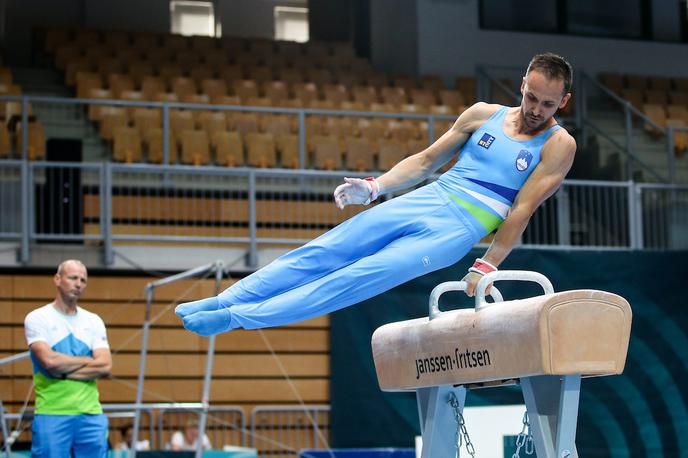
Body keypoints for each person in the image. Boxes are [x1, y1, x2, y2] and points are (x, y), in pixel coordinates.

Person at [176, 52, 576, 336]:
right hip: (429, 198)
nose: (536, 110)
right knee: (324, 251)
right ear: (522, 85)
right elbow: (424, 162)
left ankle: (238, 318)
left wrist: (487, 264)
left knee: (356, 278)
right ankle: (223, 300)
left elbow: (522, 210)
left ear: (563, 102)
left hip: (455, 231)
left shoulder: (559, 145)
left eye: (547, 103)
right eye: (531, 97)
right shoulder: (480, 114)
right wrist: (374, 187)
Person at [24, 259, 112, 458]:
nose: (78, 283)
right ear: (57, 279)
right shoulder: (38, 318)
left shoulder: (93, 320)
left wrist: (61, 371)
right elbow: (49, 362)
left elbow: (105, 366)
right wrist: (89, 361)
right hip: (52, 412)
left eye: (83, 280)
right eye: (73, 278)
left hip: (91, 414)